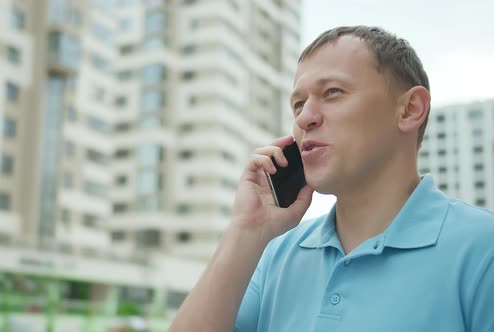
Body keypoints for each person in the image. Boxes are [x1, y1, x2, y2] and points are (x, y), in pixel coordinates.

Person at [168, 25, 494, 331]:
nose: (305, 117)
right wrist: (246, 231)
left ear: (410, 109)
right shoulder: (276, 256)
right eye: (298, 104)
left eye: (333, 92)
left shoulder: (483, 249)